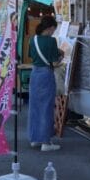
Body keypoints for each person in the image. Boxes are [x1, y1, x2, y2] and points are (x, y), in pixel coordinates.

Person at [27, 15, 63, 152]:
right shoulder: (51, 41)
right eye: (53, 29)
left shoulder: (33, 39)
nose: (54, 32)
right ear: (49, 28)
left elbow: (32, 56)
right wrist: (61, 56)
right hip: (46, 75)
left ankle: (35, 138)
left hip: (35, 74)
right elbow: (54, 62)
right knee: (46, 108)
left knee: (35, 107)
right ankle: (46, 142)